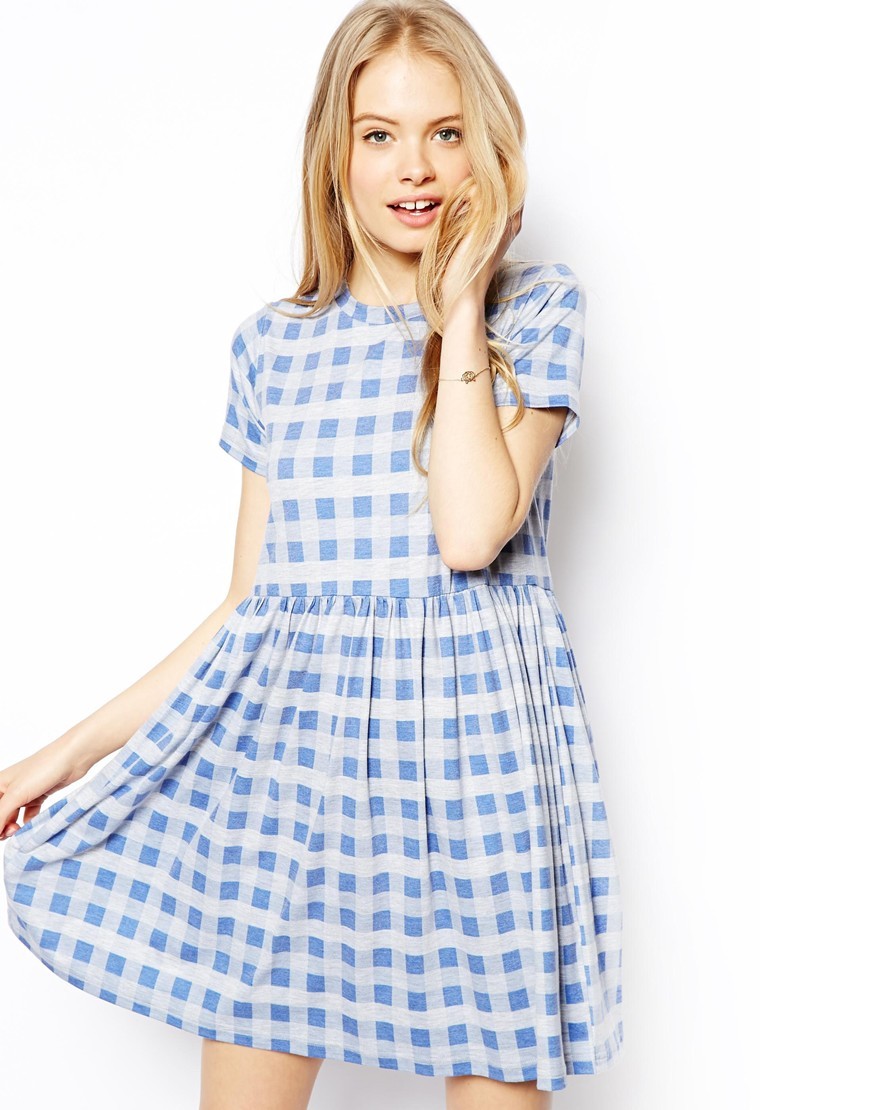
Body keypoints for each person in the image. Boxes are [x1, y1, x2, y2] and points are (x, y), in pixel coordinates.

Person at [0, 1, 624, 1106]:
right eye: (379, 134)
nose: (414, 166)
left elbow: (471, 532)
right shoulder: (273, 349)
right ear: (335, 153)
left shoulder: (535, 311)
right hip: (291, 789)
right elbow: (249, 612)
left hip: (479, 781)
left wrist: (459, 306)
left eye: (445, 132)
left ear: (484, 148)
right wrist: (62, 757)